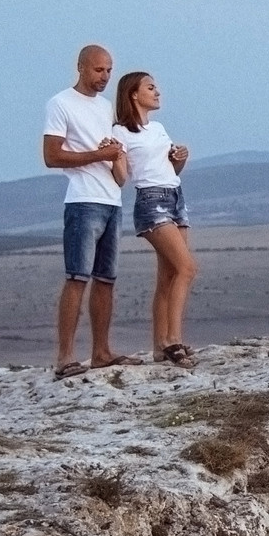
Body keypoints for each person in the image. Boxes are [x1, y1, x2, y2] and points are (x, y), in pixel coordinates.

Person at [42, 44, 139, 376]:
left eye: (110, 70)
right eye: (99, 70)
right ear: (81, 67)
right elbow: (52, 156)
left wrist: (115, 157)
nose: (105, 76)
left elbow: (111, 157)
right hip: (83, 200)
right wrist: (97, 156)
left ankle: (101, 352)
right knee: (76, 277)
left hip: (112, 199)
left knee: (106, 279)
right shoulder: (60, 104)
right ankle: (65, 357)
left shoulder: (105, 107)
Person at [112, 70, 197, 366]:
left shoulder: (159, 128)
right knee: (187, 268)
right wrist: (111, 156)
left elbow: (170, 171)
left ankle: (160, 347)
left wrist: (180, 158)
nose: (158, 92)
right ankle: (173, 340)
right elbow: (122, 177)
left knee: (169, 275)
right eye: (151, 87)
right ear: (133, 94)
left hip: (175, 197)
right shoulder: (121, 132)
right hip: (151, 201)